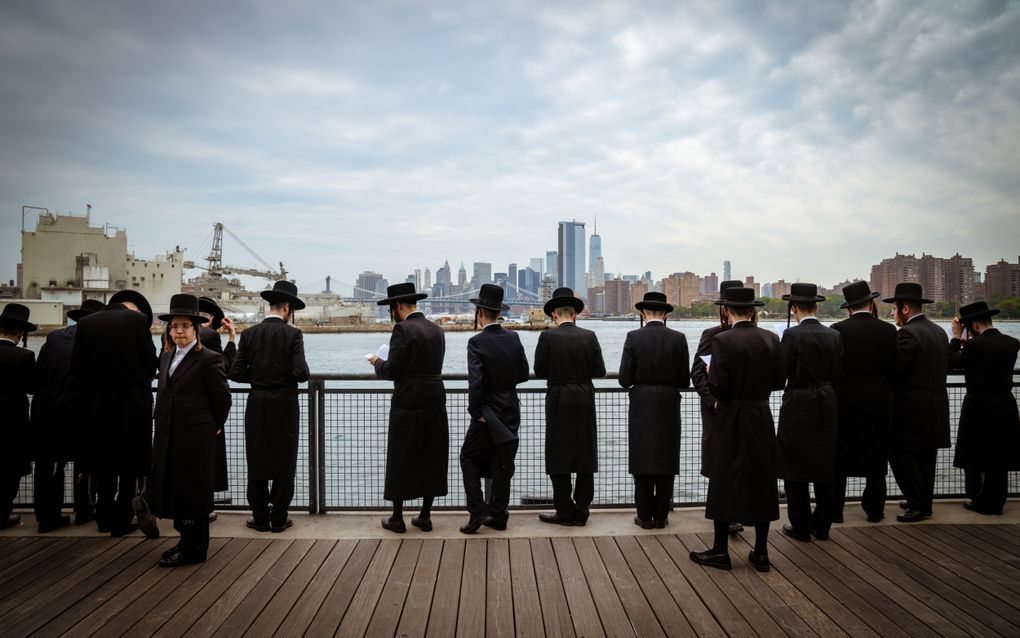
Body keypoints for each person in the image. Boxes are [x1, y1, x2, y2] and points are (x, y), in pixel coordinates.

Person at [690, 287, 784, 572]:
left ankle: (721, 550)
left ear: (727, 311)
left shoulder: (721, 340)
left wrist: (711, 378)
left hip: (730, 417)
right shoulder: (771, 339)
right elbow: (779, 381)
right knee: (762, 478)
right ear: (753, 311)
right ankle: (762, 551)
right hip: (760, 414)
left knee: (723, 479)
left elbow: (717, 386)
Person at [149, 294, 231, 567]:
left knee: (193, 494)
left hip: (195, 438)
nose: (179, 331)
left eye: (184, 326)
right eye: (174, 326)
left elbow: (222, 399)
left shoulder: (208, 359)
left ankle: (195, 549)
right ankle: (184, 541)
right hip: (169, 437)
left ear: (196, 328)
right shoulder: (167, 355)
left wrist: (213, 427)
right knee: (176, 492)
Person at [71, 289, 158, 537]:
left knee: (103, 463)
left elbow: (77, 369)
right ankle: (122, 521)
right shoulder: (138, 321)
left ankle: (103, 518)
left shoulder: (86, 323)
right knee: (130, 465)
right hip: (132, 403)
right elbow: (150, 363)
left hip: (97, 404)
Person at [229, 280, 310, 533]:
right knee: (284, 459)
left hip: (257, 403)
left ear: (271, 306)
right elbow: (302, 373)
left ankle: (260, 517)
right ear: (287, 308)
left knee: (257, 458)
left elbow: (235, 372)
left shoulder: (249, 334)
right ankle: (279, 517)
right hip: (285, 404)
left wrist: (259, 378)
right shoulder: (293, 335)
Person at [369, 282, 449, 533]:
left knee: (402, 455)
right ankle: (425, 516)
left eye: (391, 308)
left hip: (408, 399)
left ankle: (397, 518)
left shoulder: (402, 329)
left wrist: (377, 362)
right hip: (435, 397)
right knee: (432, 452)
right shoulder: (437, 330)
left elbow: (394, 370)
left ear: (397, 306)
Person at [460, 284, 529, 534]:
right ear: (499, 313)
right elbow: (523, 373)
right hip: (510, 407)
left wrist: (475, 411)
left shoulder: (475, 342)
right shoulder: (513, 337)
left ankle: (477, 511)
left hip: (486, 413)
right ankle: (499, 515)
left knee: (468, 458)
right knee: (502, 463)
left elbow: (475, 382)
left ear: (479, 312)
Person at [534, 287, 606, 526]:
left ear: (554, 314)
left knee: (558, 453)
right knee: (585, 453)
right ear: (575, 314)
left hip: (558, 398)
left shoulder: (547, 337)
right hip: (585, 397)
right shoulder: (590, 336)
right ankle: (582, 510)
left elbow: (540, 370)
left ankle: (564, 511)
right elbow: (600, 371)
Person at [776, 283, 843, 542]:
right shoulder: (834, 335)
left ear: (793, 309)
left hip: (799, 403)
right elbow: (837, 371)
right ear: (816, 306)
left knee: (795, 466)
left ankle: (801, 526)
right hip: (827, 401)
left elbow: (782, 373)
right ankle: (822, 525)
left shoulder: (791, 336)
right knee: (825, 464)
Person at [31, 299, 104, 532]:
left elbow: (39, 373)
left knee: (49, 464)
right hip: (81, 409)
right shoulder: (96, 343)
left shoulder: (53, 338)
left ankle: (47, 516)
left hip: (47, 407)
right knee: (86, 462)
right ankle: (84, 510)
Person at [618, 291, 690, 529]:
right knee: (666, 458)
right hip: (669, 403)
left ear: (643, 314)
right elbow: (683, 380)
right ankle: (661, 516)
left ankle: (644, 516)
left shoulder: (633, 337)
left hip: (641, 404)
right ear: (665, 315)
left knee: (642, 458)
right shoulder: (679, 339)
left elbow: (624, 379)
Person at [884, 282, 950, 523]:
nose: (892, 313)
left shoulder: (908, 333)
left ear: (905, 308)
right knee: (926, 456)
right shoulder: (939, 331)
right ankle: (924, 502)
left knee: (899, 453)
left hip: (911, 405)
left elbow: (897, 369)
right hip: (937, 402)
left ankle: (917, 503)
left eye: (894, 309)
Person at [830, 281, 896, 523]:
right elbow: (894, 369)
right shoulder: (889, 331)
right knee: (877, 458)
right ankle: (875, 510)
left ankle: (835, 511)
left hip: (844, 403)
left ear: (849, 308)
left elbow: (833, 367)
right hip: (879, 403)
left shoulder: (837, 330)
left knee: (840, 459)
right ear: (871, 303)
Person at [948, 301, 1020, 515]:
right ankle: (996, 500)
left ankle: (980, 499)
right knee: (999, 456)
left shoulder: (974, 346)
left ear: (974, 325)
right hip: (1005, 404)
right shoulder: (1012, 343)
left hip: (979, 405)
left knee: (977, 453)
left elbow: (950, 362)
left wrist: (954, 338)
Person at [690, 279, 744, 534]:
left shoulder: (753, 335)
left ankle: (735, 511)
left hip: (742, 409)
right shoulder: (711, 335)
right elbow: (697, 373)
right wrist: (712, 400)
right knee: (719, 461)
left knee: (740, 460)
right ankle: (725, 514)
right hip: (717, 410)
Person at [198, 296, 236, 520]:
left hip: (183, 408)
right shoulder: (210, 337)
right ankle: (205, 505)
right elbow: (225, 369)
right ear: (211, 319)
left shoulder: (174, 337)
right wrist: (232, 338)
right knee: (207, 458)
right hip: (208, 408)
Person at [0, 304, 38, 529]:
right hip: (13, 420)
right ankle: (3, 513)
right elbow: (33, 387)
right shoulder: (24, 355)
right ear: (20, 334)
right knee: (10, 469)